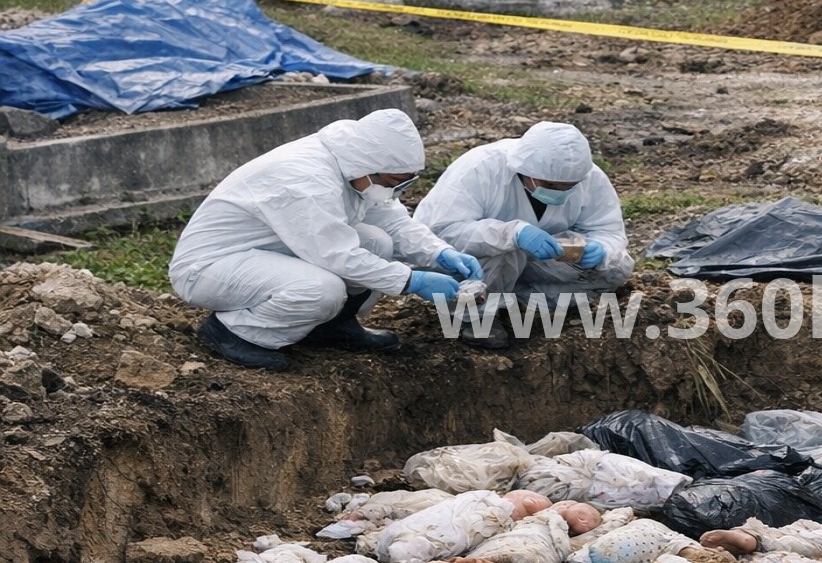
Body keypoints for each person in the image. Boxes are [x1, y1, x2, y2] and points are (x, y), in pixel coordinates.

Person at [168, 109, 482, 371]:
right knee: (321, 289)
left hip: (269, 251)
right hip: (210, 267)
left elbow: (391, 218)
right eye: (393, 182)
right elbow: (336, 255)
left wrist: (440, 252)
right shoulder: (306, 179)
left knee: (377, 243)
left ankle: (332, 326)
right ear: (369, 166)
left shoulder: (355, 167)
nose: (395, 190)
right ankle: (235, 332)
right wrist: (410, 280)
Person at [414, 121, 633, 348]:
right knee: (503, 245)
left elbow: (609, 230)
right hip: (475, 261)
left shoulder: (590, 177)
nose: (559, 191)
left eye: (568, 186)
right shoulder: (481, 168)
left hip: (534, 260)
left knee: (616, 268)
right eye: (550, 184)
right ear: (525, 170)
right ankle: (473, 317)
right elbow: (442, 231)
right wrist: (512, 233)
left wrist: (601, 248)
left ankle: (523, 300)